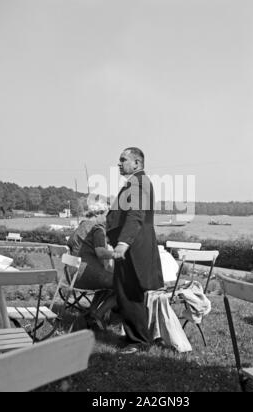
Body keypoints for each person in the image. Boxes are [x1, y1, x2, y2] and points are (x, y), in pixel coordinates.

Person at [106, 147, 164, 354]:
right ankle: (134, 336)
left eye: (123, 160)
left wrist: (123, 243)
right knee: (125, 292)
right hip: (134, 245)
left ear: (137, 163)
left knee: (130, 293)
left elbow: (136, 215)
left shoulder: (138, 183)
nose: (119, 164)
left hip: (134, 247)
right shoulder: (136, 182)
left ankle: (138, 342)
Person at [66, 199, 117, 326]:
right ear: (98, 214)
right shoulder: (97, 228)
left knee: (107, 283)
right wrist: (118, 254)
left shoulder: (82, 225)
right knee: (123, 285)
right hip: (85, 274)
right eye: (106, 215)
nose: (107, 219)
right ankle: (97, 316)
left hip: (71, 274)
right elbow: (100, 253)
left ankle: (92, 311)